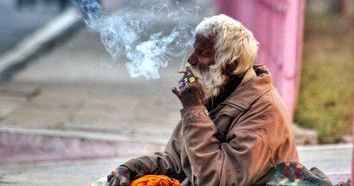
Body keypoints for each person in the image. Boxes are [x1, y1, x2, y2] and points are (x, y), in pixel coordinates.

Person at [108, 14, 298, 186]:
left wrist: (194, 112)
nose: (191, 60)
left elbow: (217, 180)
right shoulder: (217, 91)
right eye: (194, 51)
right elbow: (178, 161)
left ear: (229, 66)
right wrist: (133, 168)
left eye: (203, 54)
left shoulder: (263, 112)